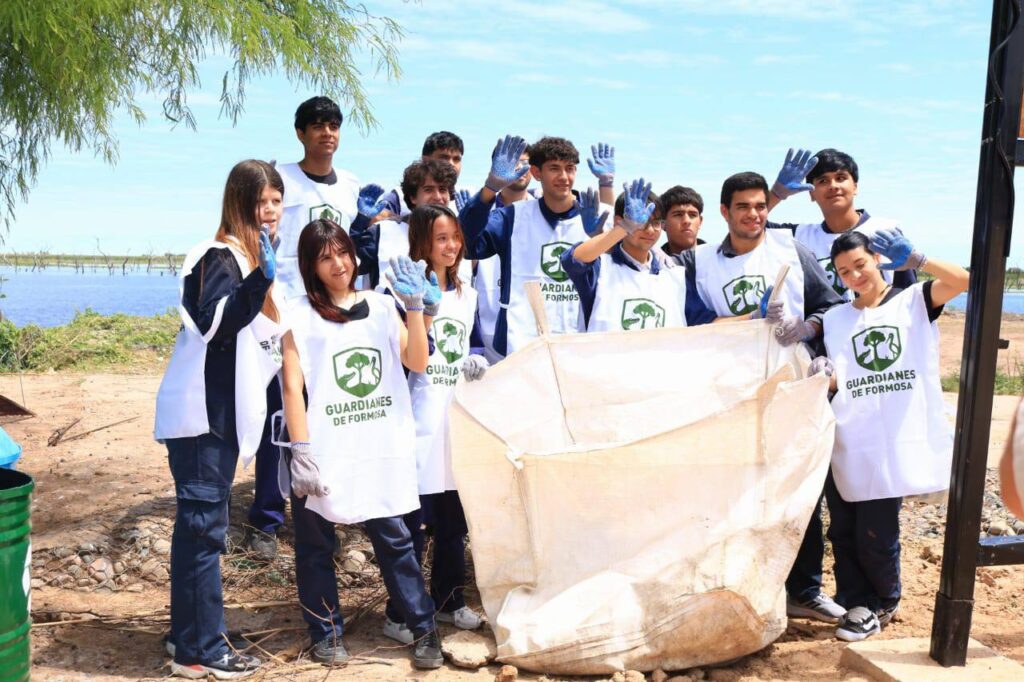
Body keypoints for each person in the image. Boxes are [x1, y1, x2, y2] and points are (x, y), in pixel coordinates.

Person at [675, 171, 846, 622]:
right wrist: (748, 318)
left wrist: (807, 328)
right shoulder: (698, 261)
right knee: (730, 493)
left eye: (760, 206)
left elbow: (832, 305)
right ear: (724, 212)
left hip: (789, 388)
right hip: (727, 391)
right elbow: (691, 320)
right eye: (743, 207)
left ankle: (804, 590)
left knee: (797, 490)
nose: (754, 214)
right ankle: (732, 587)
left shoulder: (792, 250)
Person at [279, 221, 444, 669]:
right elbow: (292, 386)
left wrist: (416, 308)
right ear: (310, 266)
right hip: (325, 446)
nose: (339, 264)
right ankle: (326, 632)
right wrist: (301, 450)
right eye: (325, 257)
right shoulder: (299, 313)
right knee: (316, 545)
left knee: (396, 540)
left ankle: (423, 628)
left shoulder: (381, 306)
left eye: (344, 253)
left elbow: (416, 361)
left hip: (377, 445)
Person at [154, 159, 286, 679]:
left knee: (197, 532)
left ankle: (186, 636)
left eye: (276, 200)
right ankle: (202, 651)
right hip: (202, 420)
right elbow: (212, 322)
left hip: (220, 419)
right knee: (204, 532)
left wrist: (263, 279)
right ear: (238, 203)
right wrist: (258, 283)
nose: (270, 210)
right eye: (260, 201)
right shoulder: (216, 256)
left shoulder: (249, 260)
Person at [809, 229, 968, 641]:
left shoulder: (912, 301)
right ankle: (853, 602)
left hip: (893, 437)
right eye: (844, 271)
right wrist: (823, 375)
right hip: (849, 436)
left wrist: (918, 259)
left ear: (877, 259)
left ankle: (882, 600)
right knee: (842, 528)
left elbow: (963, 281)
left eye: (860, 264)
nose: (854, 276)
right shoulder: (836, 318)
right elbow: (843, 376)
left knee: (876, 531)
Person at [377, 205, 489, 644]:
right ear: (422, 242)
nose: (452, 246)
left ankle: (449, 600)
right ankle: (401, 611)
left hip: (454, 415)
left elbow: (470, 340)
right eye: (441, 238)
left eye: (456, 237)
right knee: (413, 524)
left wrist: (475, 358)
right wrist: (418, 308)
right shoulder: (397, 294)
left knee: (453, 521)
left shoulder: (467, 293)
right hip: (416, 417)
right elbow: (405, 359)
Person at [458, 134, 613, 358]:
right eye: (554, 168)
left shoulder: (594, 217)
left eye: (570, 168)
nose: (564, 177)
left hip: (579, 345)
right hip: (520, 347)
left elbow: (623, 264)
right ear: (536, 172)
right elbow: (467, 244)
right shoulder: (512, 217)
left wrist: (598, 238)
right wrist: (490, 189)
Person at [767, 148, 916, 299]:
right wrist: (776, 194)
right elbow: (753, 225)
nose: (833, 186)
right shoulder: (800, 236)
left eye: (840, 178)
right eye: (823, 181)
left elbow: (910, 295)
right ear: (811, 193)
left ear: (855, 187)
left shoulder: (886, 230)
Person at [562, 179, 694, 331]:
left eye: (656, 223)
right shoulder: (600, 268)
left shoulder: (674, 276)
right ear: (619, 221)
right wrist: (625, 227)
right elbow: (572, 260)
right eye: (641, 223)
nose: (650, 230)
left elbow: (704, 322)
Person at [273, 96, 360, 300]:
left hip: (335, 297)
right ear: (300, 133)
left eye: (333, 127)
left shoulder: (350, 183)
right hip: (289, 294)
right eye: (318, 126)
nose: (327, 133)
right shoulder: (279, 178)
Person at [351, 158, 468, 289]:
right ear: (413, 197)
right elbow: (350, 265)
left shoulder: (457, 237)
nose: (437, 197)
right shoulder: (383, 232)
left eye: (442, 190)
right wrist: (360, 221)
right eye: (428, 190)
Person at [370, 131, 466, 219]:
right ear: (425, 159)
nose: (451, 164)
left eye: (456, 159)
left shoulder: (465, 202)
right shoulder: (399, 196)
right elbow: (377, 218)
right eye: (444, 157)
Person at [660, 185, 705, 257]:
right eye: (678, 215)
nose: (687, 221)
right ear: (662, 223)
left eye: (693, 215)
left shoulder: (717, 258)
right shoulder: (652, 261)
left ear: (700, 222)